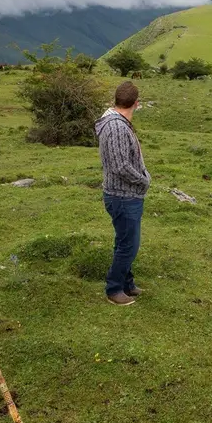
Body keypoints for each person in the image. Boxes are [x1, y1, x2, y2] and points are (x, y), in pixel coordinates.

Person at [94, 81, 151, 305]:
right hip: (123, 195)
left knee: (125, 241)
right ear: (136, 103)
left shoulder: (116, 122)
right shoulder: (117, 127)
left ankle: (127, 284)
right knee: (129, 245)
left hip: (124, 195)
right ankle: (114, 289)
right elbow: (120, 166)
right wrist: (143, 180)